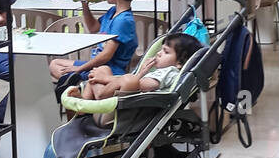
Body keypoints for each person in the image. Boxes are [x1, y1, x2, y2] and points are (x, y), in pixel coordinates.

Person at [48, 0, 138, 85]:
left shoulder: (123, 21)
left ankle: (80, 83)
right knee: (54, 64)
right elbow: (93, 28)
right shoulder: (112, 11)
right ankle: (79, 83)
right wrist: (85, 5)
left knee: (64, 70)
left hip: (108, 70)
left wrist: (79, 69)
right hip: (95, 65)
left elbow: (106, 55)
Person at [69, 33, 201, 104]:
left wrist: (107, 79)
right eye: (161, 50)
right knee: (102, 68)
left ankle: (96, 95)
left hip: (123, 108)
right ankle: (85, 102)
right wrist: (143, 71)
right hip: (117, 98)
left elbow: (141, 85)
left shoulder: (170, 72)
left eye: (166, 52)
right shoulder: (158, 70)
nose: (159, 53)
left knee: (129, 80)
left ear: (179, 63)